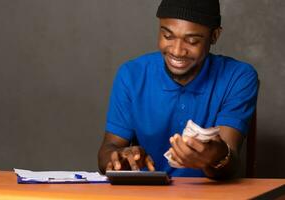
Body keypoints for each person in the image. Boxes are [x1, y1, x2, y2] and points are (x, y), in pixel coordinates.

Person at [98, 0, 258, 179]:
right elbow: (107, 150)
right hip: (145, 195)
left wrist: (215, 156)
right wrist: (121, 158)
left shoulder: (238, 77)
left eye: (192, 41)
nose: (177, 51)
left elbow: (230, 163)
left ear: (214, 36)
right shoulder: (131, 75)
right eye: (168, 36)